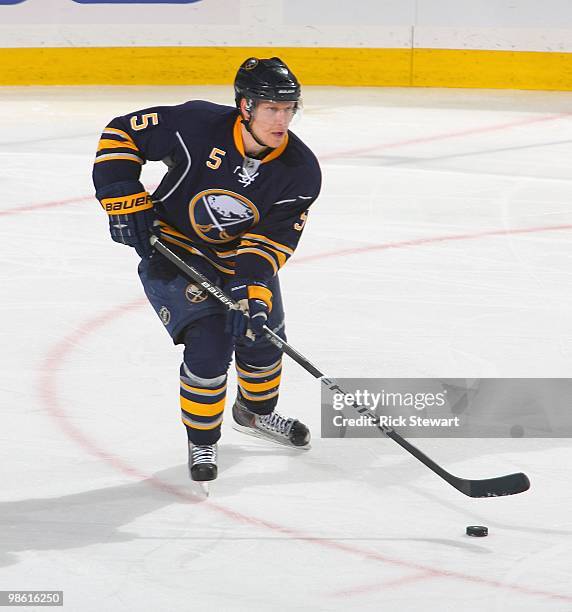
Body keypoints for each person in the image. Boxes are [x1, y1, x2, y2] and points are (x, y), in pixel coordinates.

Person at [92, 57, 321, 484]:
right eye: (271, 108)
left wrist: (250, 292)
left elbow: (269, 243)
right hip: (174, 249)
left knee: (262, 340)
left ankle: (253, 415)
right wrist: (123, 195)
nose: (282, 119)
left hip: (240, 260)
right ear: (245, 106)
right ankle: (203, 438)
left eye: (289, 109)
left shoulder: (300, 172)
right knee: (209, 346)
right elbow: (122, 132)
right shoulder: (197, 124)